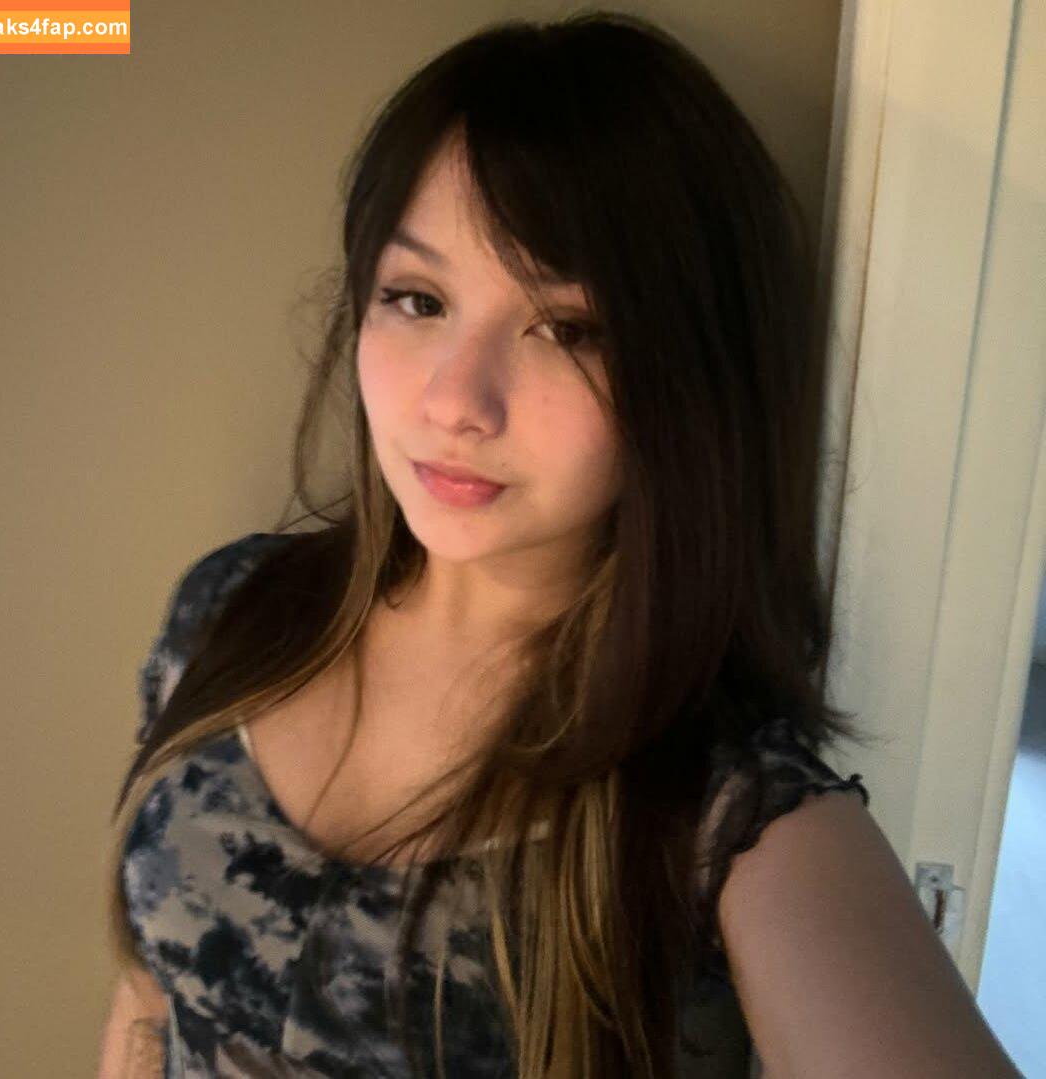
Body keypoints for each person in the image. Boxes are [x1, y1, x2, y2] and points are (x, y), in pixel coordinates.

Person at [98, 10, 1022, 1078]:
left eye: (568, 329)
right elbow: (148, 997)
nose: (456, 400)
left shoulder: (725, 826)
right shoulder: (232, 611)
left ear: (689, 380)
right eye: (418, 299)